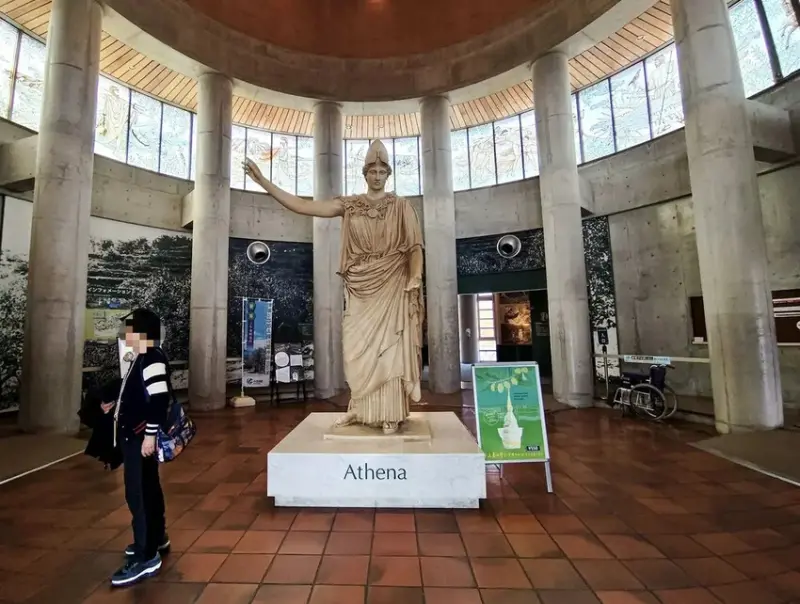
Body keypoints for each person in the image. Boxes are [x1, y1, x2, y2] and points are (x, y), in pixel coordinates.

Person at [244, 139, 424, 434]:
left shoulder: (402, 207)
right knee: (356, 351)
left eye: (382, 171)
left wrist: (415, 276)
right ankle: (360, 408)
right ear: (364, 173)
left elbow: (415, 247)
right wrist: (265, 182)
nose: (377, 176)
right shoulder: (350, 205)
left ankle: (389, 412)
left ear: (388, 175)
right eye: (372, 171)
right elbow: (305, 206)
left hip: (392, 283)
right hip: (360, 287)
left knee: (388, 349)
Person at [104, 308, 172, 587]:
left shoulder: (152, 358)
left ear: (143, 332)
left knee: (139, 494)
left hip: (140, 439)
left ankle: (146, 556)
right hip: (137, 436)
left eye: (129, 329)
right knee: (148, 489)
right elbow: (135, 392)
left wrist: (149, 436)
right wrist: (115, 404)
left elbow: (158, 400)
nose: (125, 335)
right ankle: (156, 537)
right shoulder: (143, 357)